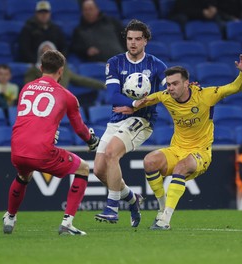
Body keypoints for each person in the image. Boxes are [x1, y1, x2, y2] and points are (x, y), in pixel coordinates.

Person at [113, 54, 242, 230]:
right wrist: (132, 106)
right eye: (169, 84)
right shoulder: (166, 96)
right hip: (177, 148)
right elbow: (149, 99)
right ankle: (162, 207)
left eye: (175, 84)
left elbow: (234, 87)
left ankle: (165, 220)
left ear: (187, 83)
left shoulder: (206, 95)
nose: (170, 88)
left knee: (180, 167)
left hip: (201, 152)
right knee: (149, 161)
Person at [3, 50, 100, 236]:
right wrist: (92, 140)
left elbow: (30, 120)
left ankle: (10, 216)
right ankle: (67, 223)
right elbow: (79, 129)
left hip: (17, 148)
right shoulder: (67, 96)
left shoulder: (26, 88)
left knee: (23, 176)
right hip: (41, 151)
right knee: (83, 169)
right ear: (61, 71)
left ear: (41, 68)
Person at [93, 19, 168, 227]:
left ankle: (112, 208)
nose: (133, 43)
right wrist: (134, 102)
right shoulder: (115, 62)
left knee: (111, 154)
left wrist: (137, 108)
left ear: (145, 41)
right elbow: (113, 96)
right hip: (117, 118)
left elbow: (168, 92)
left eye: (137, 39)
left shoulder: (156, 65)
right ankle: (132, 199)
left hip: (142, 120)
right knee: (99, 170)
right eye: (129, 39)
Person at [24, 41, 106, 90]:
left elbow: (81, 80)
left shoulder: (63, 69)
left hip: (60, 101)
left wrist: (102, 85)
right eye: (44, 53)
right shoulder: (34, 70)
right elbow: (29, 87)